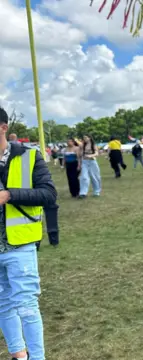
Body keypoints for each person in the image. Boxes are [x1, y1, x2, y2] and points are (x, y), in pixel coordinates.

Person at [0, 107, 57, 360]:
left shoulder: (29, 156)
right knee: (3, 304)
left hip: (20, 245)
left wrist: (9, 195)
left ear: (3, 127)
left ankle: (36, 357)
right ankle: (18, 355)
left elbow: (48, 194)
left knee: (26, 307)